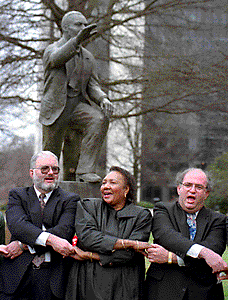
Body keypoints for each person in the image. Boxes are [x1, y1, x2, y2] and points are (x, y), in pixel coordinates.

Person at [39, 10, 113, 182]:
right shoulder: (52, 49)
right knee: (50, 156)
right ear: (65, 27)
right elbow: (56, 59)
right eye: (78, 24)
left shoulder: (88, 58)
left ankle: (85, 171)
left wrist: (103, 98)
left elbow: (92, 85)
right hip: (56, 108)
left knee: (99, 119)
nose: (83, 28)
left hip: (76, 106)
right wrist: (77, 40)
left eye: (85, 25)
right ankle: (43, 189)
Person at [0, 151, 80, 300]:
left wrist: (24, 245)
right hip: (17, 277)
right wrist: (51, 240)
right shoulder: (17, 195)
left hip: (53, 278)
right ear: (32, 172)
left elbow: (64, 232)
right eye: (44, 169)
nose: (50, 173)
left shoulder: (71, 200)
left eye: (55, 169)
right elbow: (18, 226)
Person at [65, 166, 152, 300]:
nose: (106, 186)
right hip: (88, 283)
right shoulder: (87, 206)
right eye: (104, 182)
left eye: (113, 182)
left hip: (125, 286)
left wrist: (90, 255)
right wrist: (127, 243)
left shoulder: (142, 215)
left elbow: (129, 254)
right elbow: (88, 238)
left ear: (126, 189)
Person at [144, 168, 227, 300]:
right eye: (188, 185)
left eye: (199, 187)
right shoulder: (163, 210)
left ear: (206, 193)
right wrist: (204, 253)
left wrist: (171, 258)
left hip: (204, 292)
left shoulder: (218, 220)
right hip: (163, 290)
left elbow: (214, 253)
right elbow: (167, 237)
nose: (192, 190)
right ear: (179, 189)